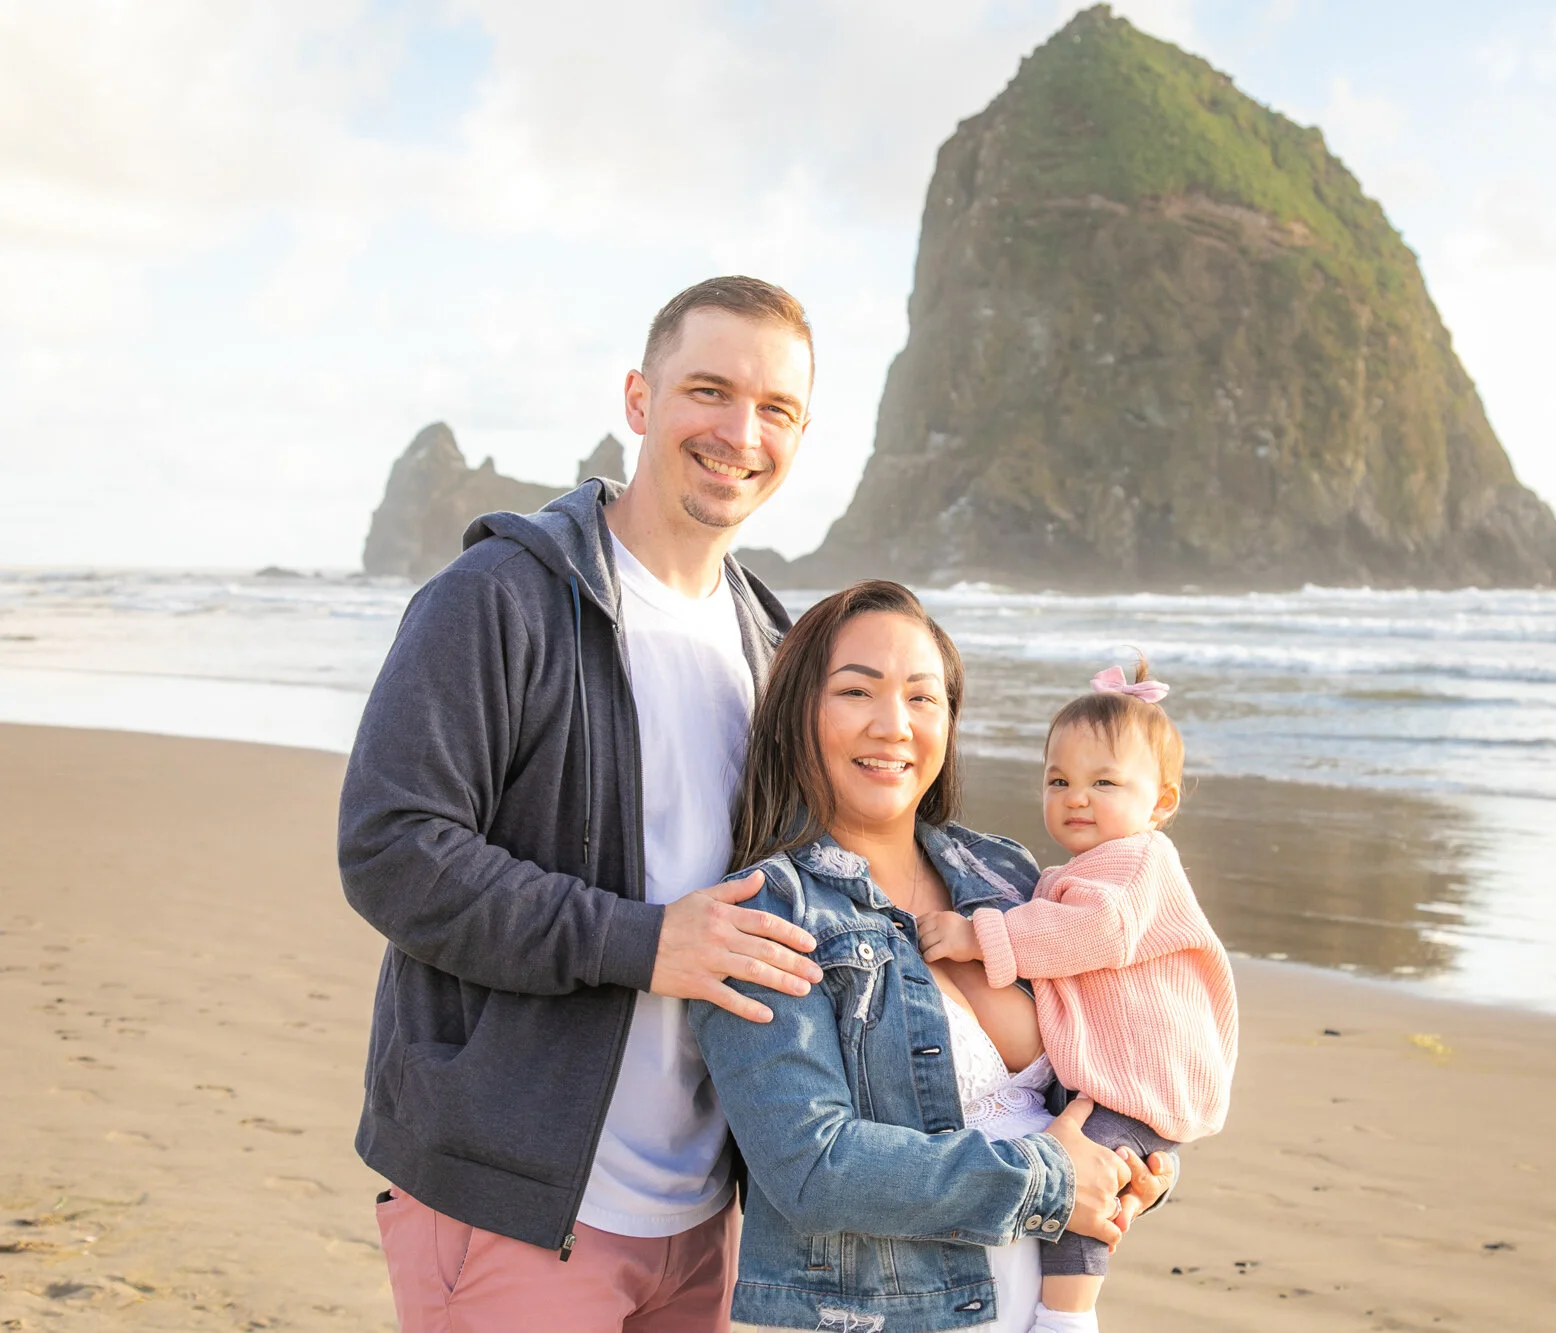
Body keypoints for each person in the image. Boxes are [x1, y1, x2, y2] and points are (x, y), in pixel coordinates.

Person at [339, 275, 828, 1332]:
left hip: (702, 1218)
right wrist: (640, 942)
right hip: (516, 1203)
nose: (741, 431)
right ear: (639, 399)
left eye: (776, 408)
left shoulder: (774, 650)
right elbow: (392, 847)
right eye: (709, 389)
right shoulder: (497, 598)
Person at [688, 581, 1177, 1333]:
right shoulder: (765, 911)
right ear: (796, 718)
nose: (894, 725)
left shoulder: (1008, 876)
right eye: (858, 691)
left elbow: (1116, 1039)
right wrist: (1052, 1178)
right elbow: (812, 1167)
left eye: (922, 698)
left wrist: (1138, 1163)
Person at [916, 660, 1237, 1331]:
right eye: (1058, 780)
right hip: (1112, 1078)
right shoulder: (1071, 870)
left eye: (1104, 782)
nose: (1075, 797)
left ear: (1161, 803)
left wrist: (983, 935)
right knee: (1081, 1168)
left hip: (1138, 1080)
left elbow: (1097, 931)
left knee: (1077, 1184)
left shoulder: (1143, 860)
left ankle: (1068, 1317)